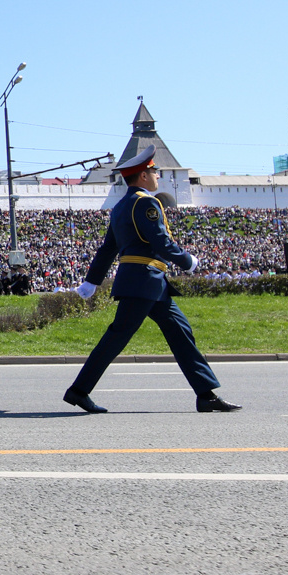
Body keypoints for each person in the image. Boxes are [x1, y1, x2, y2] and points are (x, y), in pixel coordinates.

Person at [63, 146, 239, 414]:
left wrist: (92, 281)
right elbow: (161, 241)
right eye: (153, 171)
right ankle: (78, 390)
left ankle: (206, 394)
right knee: (116, 338)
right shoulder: (146, 202)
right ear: (143, 176)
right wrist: (188, 261)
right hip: (143, 282)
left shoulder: (121, 207)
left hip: (150, 285)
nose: (157, 175)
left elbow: (108, 248)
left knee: (181, 333)